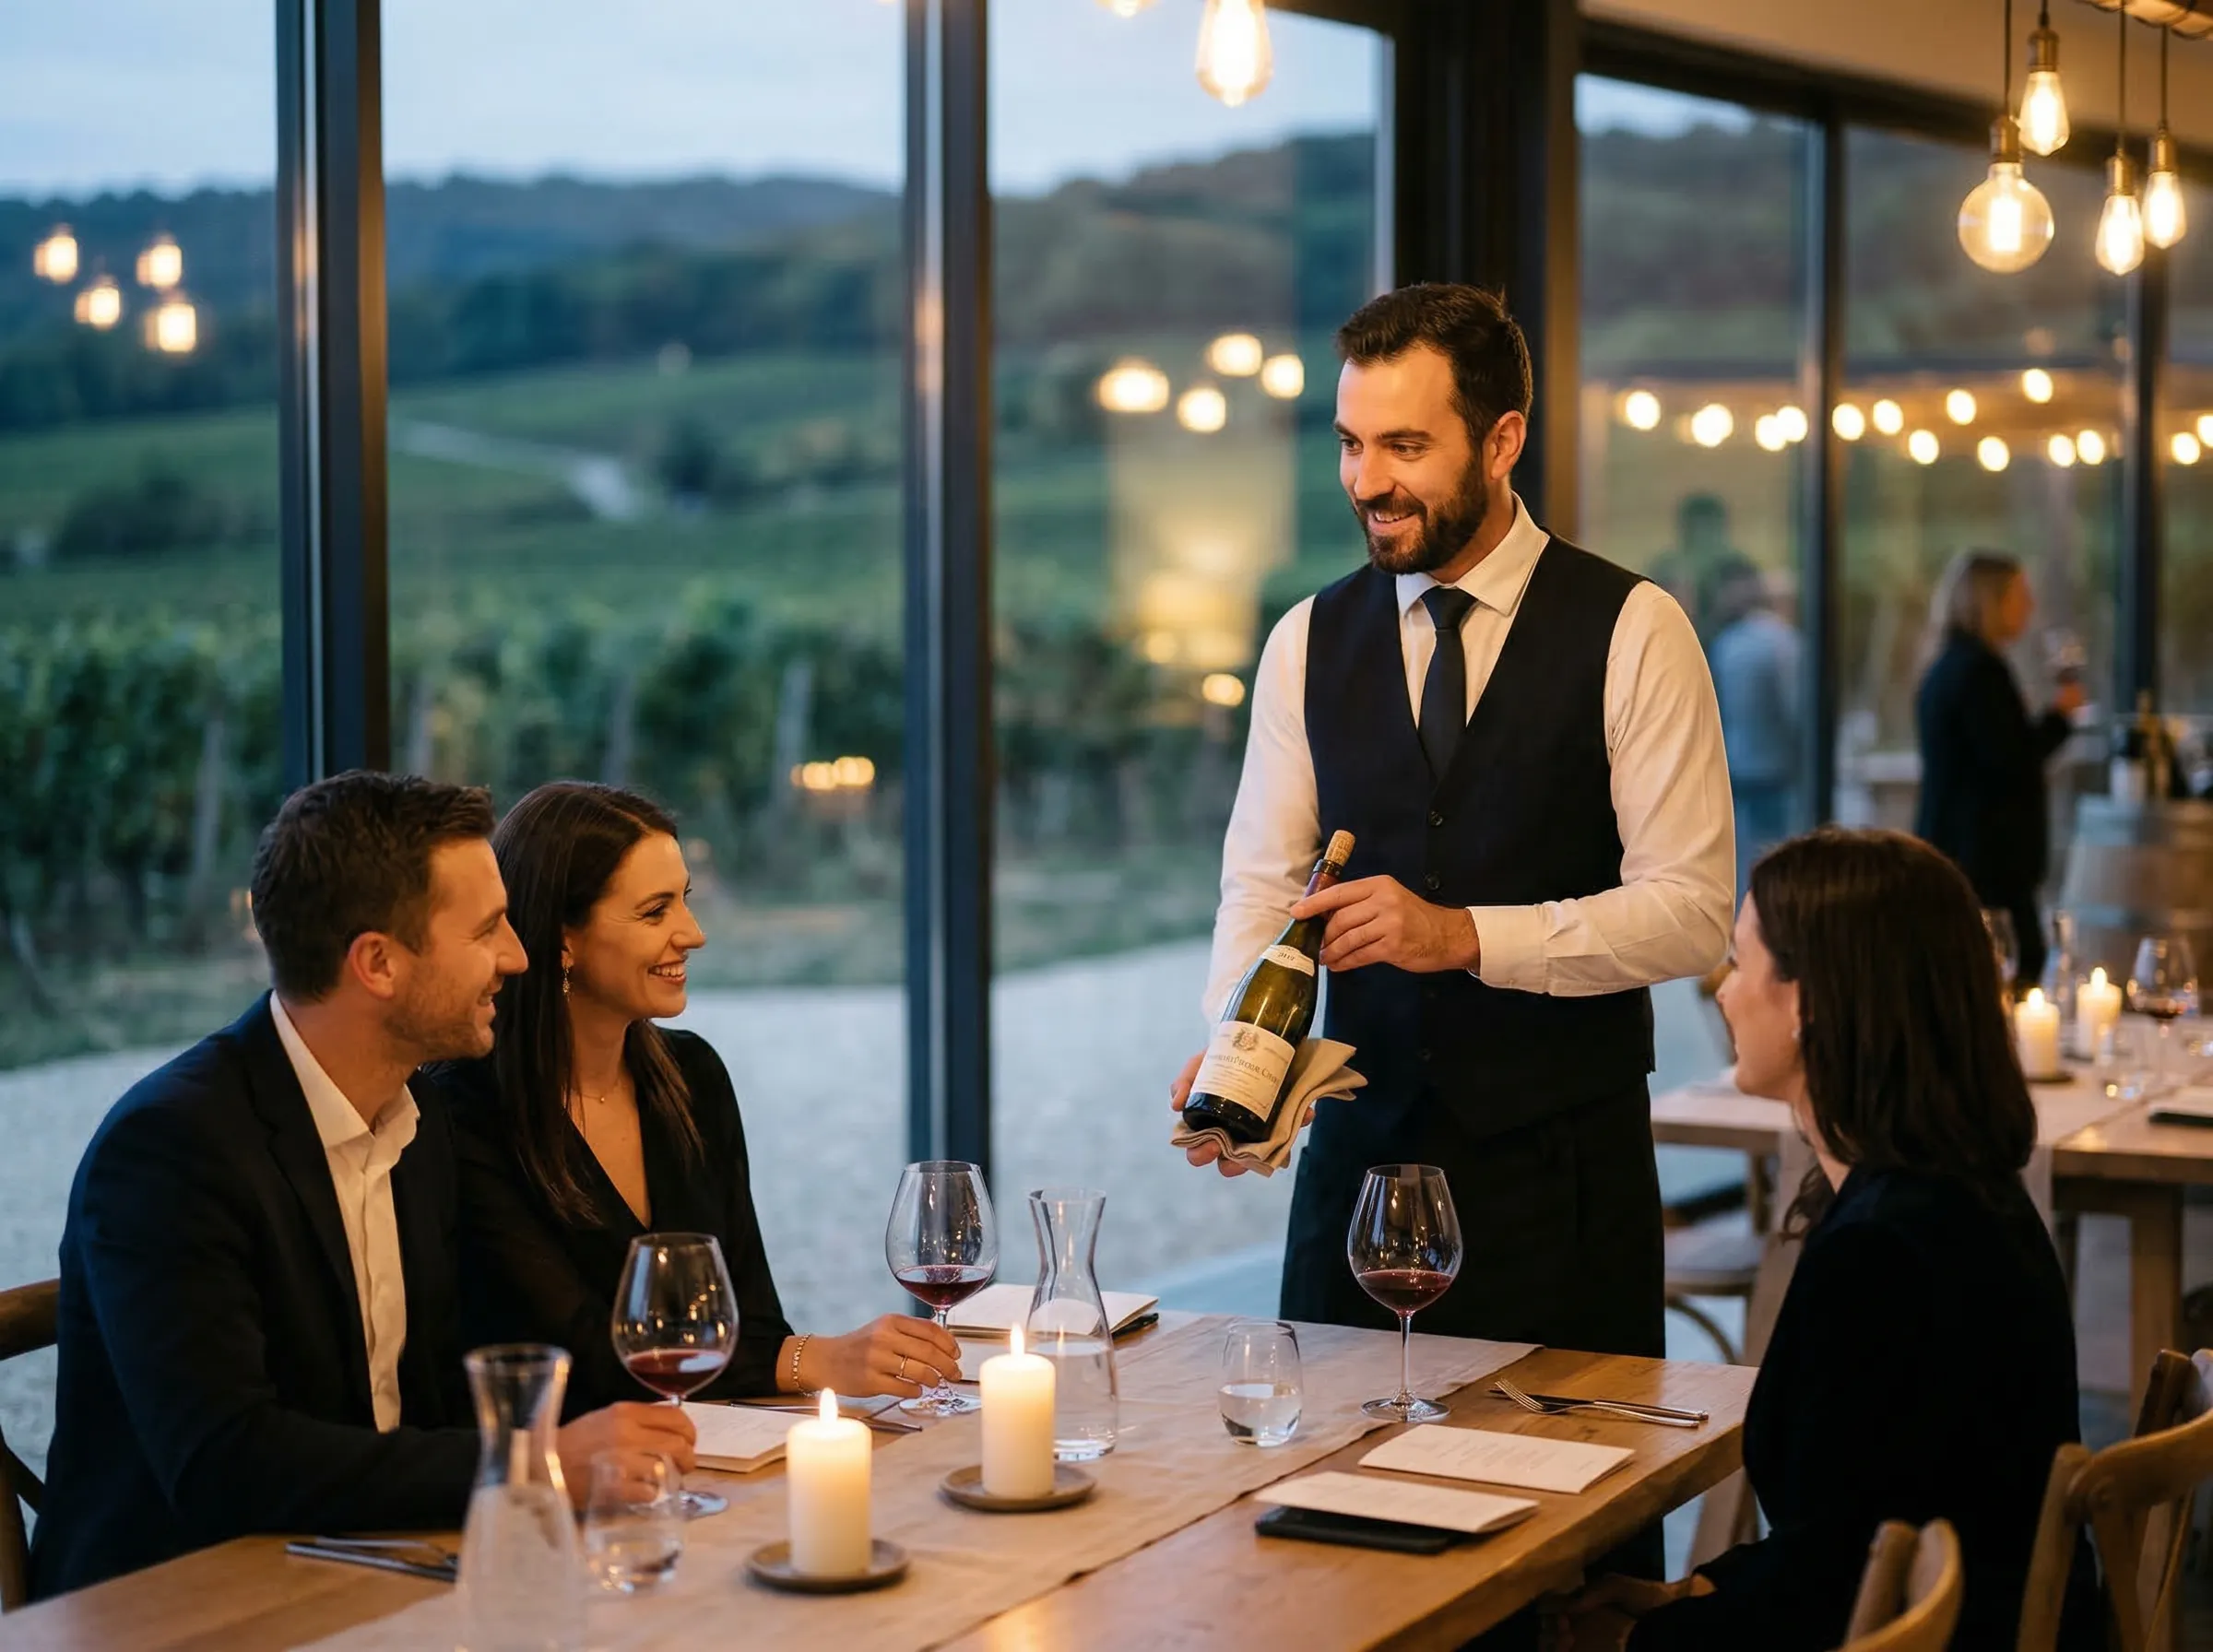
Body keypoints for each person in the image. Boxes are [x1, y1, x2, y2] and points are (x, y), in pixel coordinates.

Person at [1172, 282, 1734, 1365]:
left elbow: (1695, 915)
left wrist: (1465, 935)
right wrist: (1242, 1055)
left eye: (1404, 445)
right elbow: (1258, 887)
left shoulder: (1636, 630)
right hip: (1354, 1182)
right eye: (1348, 444)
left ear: (1501, 440)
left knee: (1570, 1514)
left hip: (1560, 1187)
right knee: (1329, 1511)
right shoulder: (1306, 639)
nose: (1366, 481)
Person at [30, 773, 692, 1600]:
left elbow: (433, 1400)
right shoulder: (171, 1149)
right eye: (488, 929)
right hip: (181, 1604)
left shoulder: (420, 1121)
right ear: (377, 962)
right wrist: (540, 1459)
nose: (517, 958)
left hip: (374, 1563)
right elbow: (222, 1460)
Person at [1546, 828, 2099, 1652]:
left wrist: (1641, 1642)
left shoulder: (1883, 1257)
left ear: (1808, 1002)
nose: (1723, 992)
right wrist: (1692, 1593)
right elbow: (1859, 1531)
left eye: (1741, 961)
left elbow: (1833, 1591)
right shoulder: (1964, 1197)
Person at [426, 781, 961, 1412]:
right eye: (655, 912)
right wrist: (814, 1357)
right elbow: (588, 1359)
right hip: (564, 1483)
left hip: (708, 1459)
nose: (694, 933)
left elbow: (753, 1321)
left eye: (684, 901)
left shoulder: (693, 1075)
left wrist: (808, 1357)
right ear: (561, 936)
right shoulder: (463, 1111)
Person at [1913, 550, 2085, 988]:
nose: (2029, 607)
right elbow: (2011, 762)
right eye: (2020, 595)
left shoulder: (1949, 665)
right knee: (2009, 973)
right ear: (1991, 600)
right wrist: (2060, 718)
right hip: (1987, 861)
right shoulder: (1980, 672)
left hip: (1957, 851)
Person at [1710, 564, 1803, 898]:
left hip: (1736, 766)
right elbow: (1795, 708)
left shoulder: (1727, 643)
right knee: (1777, 864)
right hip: (1774, 769)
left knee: (1741, 861)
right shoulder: (1784, 643)